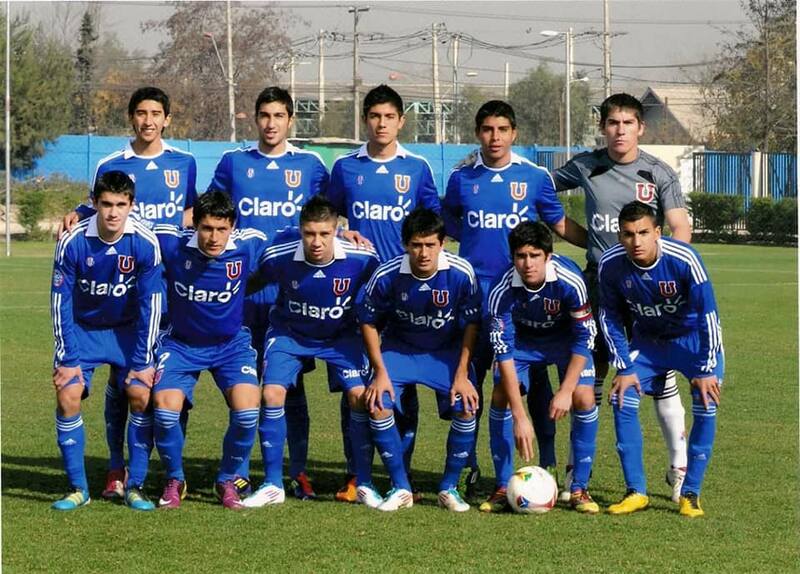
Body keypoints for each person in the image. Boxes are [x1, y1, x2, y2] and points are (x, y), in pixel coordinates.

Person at [59, 86, 198, 500]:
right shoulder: (110, 163)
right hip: (120, 290)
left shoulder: (184, 163)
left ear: (167, 118)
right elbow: (97, 208)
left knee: (166, 386)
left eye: (156, 112)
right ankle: (117, 470)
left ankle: (169, 471)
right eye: (141, 112)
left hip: (167, 287)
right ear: (131, 117)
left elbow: (191, 215)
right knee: (123, 388)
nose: (148, 120)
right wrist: (77, 212)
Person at [552, 92, 692, 501]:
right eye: (613, 123)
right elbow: (544, 195)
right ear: (603, 127)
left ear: (640, 128)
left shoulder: (658, 173)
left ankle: (678, 466)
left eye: (628, 123)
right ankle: (577, 476)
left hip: (645, 288)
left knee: (659, 378)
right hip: (599, 283)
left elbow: (679, 226)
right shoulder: (587, 165)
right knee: (588, 379)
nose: (620, 130)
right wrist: (582, 239)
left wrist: (670, 269)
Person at [443, 99, 586, 496]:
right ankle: (470, 467)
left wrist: (598, 245)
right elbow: (449, 220)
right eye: (487, 129)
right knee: (472, 381)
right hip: (475, 295)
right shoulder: (461, 179)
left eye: (502, 129)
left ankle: (549, 461)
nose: (495, 137)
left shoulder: (534, 176)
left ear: (514, 133)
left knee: (529, 382)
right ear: (477, 133)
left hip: (522, 298)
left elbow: (557, 222)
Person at [207, 86, 330, 500]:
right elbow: (207, 212)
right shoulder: (233, 163)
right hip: (241, 292)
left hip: (290, 294)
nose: (271, 123)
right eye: (264, 115)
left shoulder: (311, 166)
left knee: (288, 387)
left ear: (290, 120)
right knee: (244, 385)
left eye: (279, 116)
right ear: (254, 118)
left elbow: (326, 219)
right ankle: (240, 471)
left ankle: (297, 471)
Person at [327, 84, 441, 500]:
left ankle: (401, 471)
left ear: (401, 122)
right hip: (355, 290)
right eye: (374, 116)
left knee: (401, 384)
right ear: (365, 120)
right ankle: (356, 474)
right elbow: (326, 216)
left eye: (388, 117)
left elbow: (431, 224)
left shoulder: (418, 169)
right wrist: (341, 230)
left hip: (404, 291)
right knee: (356, 385)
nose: (381, 124)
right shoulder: (345, 167)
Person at [241, 195, 380, 508]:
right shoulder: (279, 254)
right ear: (300, 231)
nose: (316, 242)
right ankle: (273, 483)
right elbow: (254, 281)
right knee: (273, 394)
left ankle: (362, 481)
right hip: (289, 333)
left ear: (337, 231)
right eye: (309, 234)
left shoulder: (362, 257)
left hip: (340, 336)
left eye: (324, 234)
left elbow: (381, 292)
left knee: (359, 397)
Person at [599, 201, 723, 517]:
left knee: (706, 402)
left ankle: (691, 493)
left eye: (643, 233)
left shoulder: (684, 259)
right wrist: (624, 367)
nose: (636, 242)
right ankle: (636, 491)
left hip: (693, 341)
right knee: (622, 396)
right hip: (649, 343)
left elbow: (709, 315)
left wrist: (706, 368)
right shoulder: (610, 265)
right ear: (619, 235)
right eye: (627, 234)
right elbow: (609, 317)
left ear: (658, 232)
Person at [50, 170, 162, 511]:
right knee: (68, 394)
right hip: (84, 331)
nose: (113, 212)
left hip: (127, 331)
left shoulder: (144, 241)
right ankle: (78, 489)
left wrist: (144, 362)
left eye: (121, 205)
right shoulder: (73, 241)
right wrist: (67, 357)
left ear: (132, 205)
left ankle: (135, 486)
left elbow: (151, 304)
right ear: (94, 203)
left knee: (141, 394)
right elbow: (60, 302)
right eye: (106, 204)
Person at [357, 208, 482, 512]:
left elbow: (472, 324)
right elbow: (368, 321)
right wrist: (380, 372)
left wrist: (463, 373)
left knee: (467, 405)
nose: (423, 253)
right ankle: (401, 487)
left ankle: (449, 487)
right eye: (416, 245)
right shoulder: (387, 274)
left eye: (430, 245)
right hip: (401, 350)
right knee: (377, 401)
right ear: (405, 245)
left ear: (443, 244)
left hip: (446, 351)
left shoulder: (461, 273)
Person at [150, 191, 265, 509]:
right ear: (195, 225)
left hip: (231, 346)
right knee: (163, 408)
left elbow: (292, 237)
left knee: (247, 411)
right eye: (206, 228)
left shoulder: (248, 245)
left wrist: (341, 233)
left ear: (232, 227)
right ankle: (175, 479)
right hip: (182, 344)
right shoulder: (172, 244)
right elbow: (139, 224)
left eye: (221, 229)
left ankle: (227, 480)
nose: (214, 237)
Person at [482, 221, 599, 514]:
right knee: (500, 395)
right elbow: (504, 353)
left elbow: (585, 335)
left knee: (584, 396)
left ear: (548, 256)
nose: (528, 263)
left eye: (535, 256)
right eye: (521, 256)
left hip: (564, 341)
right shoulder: (501, 289)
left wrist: (566, 390)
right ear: (513, 258)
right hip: (522, 344)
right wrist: (520, 417)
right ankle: (500, 485)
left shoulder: (569, 280)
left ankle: (579, 488)